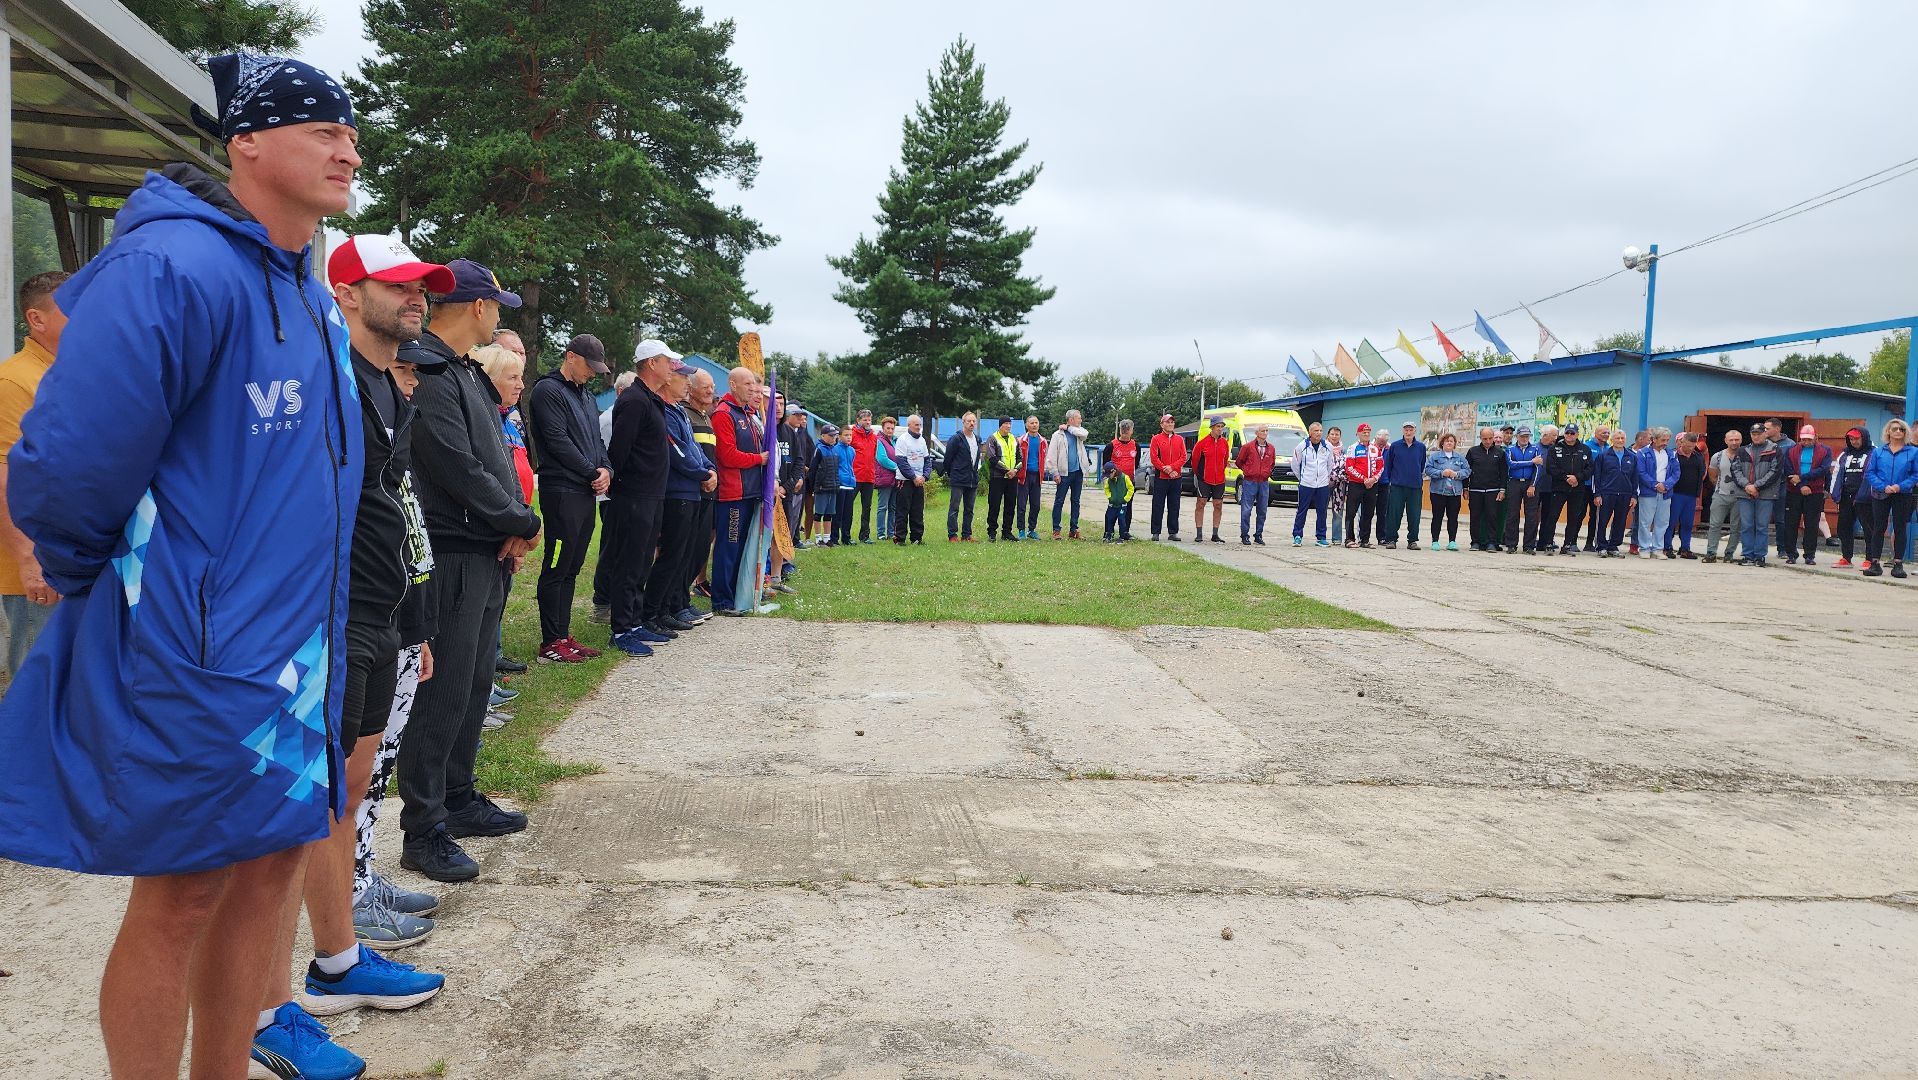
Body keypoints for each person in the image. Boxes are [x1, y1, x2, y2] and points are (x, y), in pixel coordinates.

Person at [0, 52, 370, 1079]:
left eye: (350, 131)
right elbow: (66, 466)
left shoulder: (298, 280)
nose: (346, 148)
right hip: (193, 647)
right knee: (183, 893)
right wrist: (110, 583)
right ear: (246, 140)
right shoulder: (171, 267)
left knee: (266, 877)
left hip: (294, 647)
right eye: (319, 126)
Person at [254, 234, 454, 1052]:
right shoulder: (321, 375)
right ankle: (267, 1012)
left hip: (375, 615)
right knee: (296, 812)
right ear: (343, 292)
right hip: (320, 622)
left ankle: (336, 961)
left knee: (345, 790)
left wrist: (410, 620)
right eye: (398, 285)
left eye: (422, 287)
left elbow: (389, 510)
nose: (417, 298)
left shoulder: (385, 381)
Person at [401, 257, 542, 891]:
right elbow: (457, 465)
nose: (497, 315)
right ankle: (424, 824)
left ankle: (458, 794)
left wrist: (513, 521)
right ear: (478, 308)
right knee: (444, 689)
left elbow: (494, 461)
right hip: (454, 549)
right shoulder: (429, 368)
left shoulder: (457, 369)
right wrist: (520, 518)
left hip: (485, 547)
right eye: (495, 306)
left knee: (474, 680)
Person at [351, 350, 442, 946]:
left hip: (405, 622)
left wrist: (420, 631)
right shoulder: (368, 434)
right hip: (376, 620)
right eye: (405, 374)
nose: (410, 385)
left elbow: (412, 542)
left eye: (412, 377)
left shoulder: (397, 441)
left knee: (381, 768)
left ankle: (365, 874)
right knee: (361, 771)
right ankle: (352, 893)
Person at [0, 270, 69, 679]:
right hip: (37, 569)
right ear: (36, 319)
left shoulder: (72, 373)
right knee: (37, 677)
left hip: (73, 555)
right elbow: (4, 477)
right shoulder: (14, 381)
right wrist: (28, 560)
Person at [526, 334, 612, 662]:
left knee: (573, 566)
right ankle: (550, 643)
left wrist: (606, 470)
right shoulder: (549, 391)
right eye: (589, 366)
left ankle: (563, 636)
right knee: (557, 564)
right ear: (570, 357)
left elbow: (596, 441)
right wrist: (592, 473)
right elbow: (557, 440)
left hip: (585, 492)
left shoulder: (586, 397)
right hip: (562, 491)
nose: (592, 372)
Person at [645, 357, 717, 635]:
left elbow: (696, 451)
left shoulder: (678, 412)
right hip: (677, 491)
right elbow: (677, 453)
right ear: (667, 380)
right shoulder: (665, 411)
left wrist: (709, 469)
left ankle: (668, 608)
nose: (687, 382)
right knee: (670, 555)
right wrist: (703, 474)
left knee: (683, 555)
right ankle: (654, 612)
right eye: (682, 377)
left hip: (692, 492)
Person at [709, 366, 771, 611]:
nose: (752, 389)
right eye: (747, 385)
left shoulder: (747, 414)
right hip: (733, 493)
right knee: (729, 546)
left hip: (750, 491)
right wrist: (760, 459)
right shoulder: (724, 414)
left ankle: (738, 593)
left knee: (742, 546)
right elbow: (727, 456)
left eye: (754, 385)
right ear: (732, 385)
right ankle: (722, 599)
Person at [590, 370, 638, 624]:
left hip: (625, 494)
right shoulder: (610, 419)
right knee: (611, 549)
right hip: (612, 495)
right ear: (620, 392)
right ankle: (602, 602)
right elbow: (611, 458)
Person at [1861, 417, 1916, 578]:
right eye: (1895, 429)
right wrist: (1882, 486)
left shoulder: (1913, 452)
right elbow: (1870, 473)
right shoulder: (1878, 452)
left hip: (1903, 494)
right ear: (1888, 432)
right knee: (1878, 527)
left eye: (1902, 429)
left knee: (1900, 528)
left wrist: (1900, 486)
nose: (1898, 431)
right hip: (1880, 493)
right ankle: (1875, 563)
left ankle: (1898, 564)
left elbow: (1915, 474)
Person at [1730, 423, 1782, 567]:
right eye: (1753, 433)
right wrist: (1747, 486)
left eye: (1759, 433)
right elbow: (1735, 470)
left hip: (1765, 494)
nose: (1756, 436)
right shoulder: (1742, 450)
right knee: (1746, 525)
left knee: (1761, 526)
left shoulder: (1774, 450)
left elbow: (1775, 471)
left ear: (1765, 434)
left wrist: (1757, 486)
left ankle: (1760, 556)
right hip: (1745, 493)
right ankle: (1748, 556)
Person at [1780, 424, 1833, 565]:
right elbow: (1788, 469)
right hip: (1794, 490)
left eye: (1809, 439)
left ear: (1816, 437)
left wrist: (1803, 479)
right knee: (1791, 523)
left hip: (1814, 491)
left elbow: (1823, 469)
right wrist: (1801, 485)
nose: (1806, 442)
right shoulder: (1791, 450)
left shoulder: (1825, 451)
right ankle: (1791, 553)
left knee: (1811, 524)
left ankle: (1809, 555)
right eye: (1803, 439)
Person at [1543, 423, 1593, 555]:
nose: (1569, 435)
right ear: (1564, 434)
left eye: (1572, 433)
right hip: (1559, 488)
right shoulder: (1555, 449)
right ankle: (1548, 543)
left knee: (1573, 518)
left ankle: (1567, 545)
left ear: (1577, 434)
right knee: (1552, 516)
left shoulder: (1585, 449)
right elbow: (1551, 468)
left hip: (1577, 489)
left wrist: (1577, 478)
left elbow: (1589, 469)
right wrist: (1566, 478)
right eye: (1567, 433)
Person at [1049, 409, 1096, 539]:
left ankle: (1073, 529)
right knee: (1059, 501)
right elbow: (1051, 455)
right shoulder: (1057, 435)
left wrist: (1069, 428)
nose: (1080, 420)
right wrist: (1055, 473)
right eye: (1078, 418)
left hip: (1078, 472)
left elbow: (1085, 433)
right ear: (1071, 419)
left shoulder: (1078, 433)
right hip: (1064, 474)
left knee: (1076, 501)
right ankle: (1056, 530)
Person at [1632, 428, 1678, 560]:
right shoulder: (1642, 453)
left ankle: (1658, 548)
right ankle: (1644, 547)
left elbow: (1676, 473)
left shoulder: (1671, 454)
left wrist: (1666, 485)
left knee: (1662, 522)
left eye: (1667, 440)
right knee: (1645, 522)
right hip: (1648, 492)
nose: (1665, 443)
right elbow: (1641, 472)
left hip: (1666, 492)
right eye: (1663, 440)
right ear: (1654, 439)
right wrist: (1656, 484)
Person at [1379, 422, 1427, 549]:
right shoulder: (1395, 446)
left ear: (1415, 431)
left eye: (1411, 429)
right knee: (1393, 514)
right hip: (1397, 486)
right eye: (1406, 429)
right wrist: (1393, 480)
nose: (1408, 432)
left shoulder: (1421, 447)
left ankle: (1412, 540)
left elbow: (1421, 465)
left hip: (1415, 487)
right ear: (1403, 431)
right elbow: (1388, 465)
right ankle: (1391, 539)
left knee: (1414, 515)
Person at [1831, 427, 1873, 568]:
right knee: (1843, 527)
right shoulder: (1844, 454)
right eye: (1851, 439)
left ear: (1864, 438)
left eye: (1857, 438)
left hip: (1866, 497)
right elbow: (1836, 473)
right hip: (1846, 496)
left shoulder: (1874, 452)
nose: (1854, 441)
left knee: (1869, 529)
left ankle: (1870, 558)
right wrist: (1835, 494)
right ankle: (1846, 558)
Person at [1591, 430, 1637, 557]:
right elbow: (1597, 476)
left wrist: (1634, 496)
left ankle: (1613, 545)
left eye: (1622, 438)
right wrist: (1597, 494)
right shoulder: (1604, 455)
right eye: (1617, 438)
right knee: (1602, 521)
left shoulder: (1631, 457)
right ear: (1612, 440)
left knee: (1620, 521)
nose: (1620, 440)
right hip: (1607, 493)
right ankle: (1601, 546)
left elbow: (1635, 477)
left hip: (1625, 494)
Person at [1702, 429, 1745, 564]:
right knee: (1714, 525)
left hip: (1740, 496)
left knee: (1736, 527)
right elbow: (1713, 476)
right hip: (1720, 494)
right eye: (1731, 440)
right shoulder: (1717, 456)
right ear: (1726, 441)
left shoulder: (1746, 455)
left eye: (1736, 439)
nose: (1734, 442)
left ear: (1741, 440)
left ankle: (1729, 553)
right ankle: (1711, 553)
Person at [1284, 423, 1330, 546]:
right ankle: (1297, 535)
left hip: (1322, 485)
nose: (1319, 433)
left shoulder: (1327, 446)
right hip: (1306, 484)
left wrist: (1324, 477)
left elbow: (1330, 465)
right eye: (1316, 430)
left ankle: (1321, 537)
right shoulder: (1301, 446)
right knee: (1302, 510)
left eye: (1320, 430)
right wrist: (1303, 478)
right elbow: (1295, 465)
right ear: (1310, 432)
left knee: (1322, 511)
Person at [1502, 426, 1544, 555]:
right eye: (1522, 436)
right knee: (1512, 514)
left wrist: (1533, 485)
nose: (1525, 438)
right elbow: (1512, 465)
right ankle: (1511, 544)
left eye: (1527, 436)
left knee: (1531, 516)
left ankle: (1529, 545)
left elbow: (1538, 468)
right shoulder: (1510, 449)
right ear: (1517, 437)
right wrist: (1531, 461)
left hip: (1530, 484)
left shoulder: (1536, 449)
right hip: (1514, 483)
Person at [1464, 427, 1507, 552]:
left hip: (1493, 491)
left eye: (1489, 438)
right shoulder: (1473, 451)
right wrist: (1465, 488)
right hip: (1475, 490)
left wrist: (1502, 490)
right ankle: (1475, 542)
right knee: (1475, 517)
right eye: (1484, 439)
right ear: (1480, 438)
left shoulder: (1500, 453)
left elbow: (1504, 473)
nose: (1487, 441)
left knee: (1492, 517)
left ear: (1493, 437)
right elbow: (1467, 471)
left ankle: (1492, 543)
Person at [777, 403, 814, 548]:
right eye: (797, 415)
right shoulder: (778, 431)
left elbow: (801, 458)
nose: (801, 418)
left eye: (801, 415)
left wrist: (799, 477)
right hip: (779, 483)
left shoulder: (800, 433)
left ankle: (792, 542)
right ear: (788, 415)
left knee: (794, 514)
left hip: (795, 480)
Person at [1189, 417, 1231, 543]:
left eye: (1221, 426)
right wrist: (1201, 476)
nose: (1220, 429)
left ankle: (1215, 534)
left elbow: (1225, 461)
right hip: (1204, 479)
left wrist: (1219, 473)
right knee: (1201, 504)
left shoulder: (1225, 443)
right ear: (1212, 427)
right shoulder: (1202, 443)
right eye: (1218, 426)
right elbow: (1195, 462)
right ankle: (1199, 533)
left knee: (1218, 505)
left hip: (1219, 480)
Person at [1423, 433, 1467, 550]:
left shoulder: (1460, 457)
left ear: (1454, 444)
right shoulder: (1435, 457)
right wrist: (1441, 473)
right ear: (1442, 443)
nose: (1449, 443)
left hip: (1454, 493)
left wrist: (1456, 474)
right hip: (1438, 492)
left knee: (1453, 518)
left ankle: (1452, 541)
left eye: (1451, 441)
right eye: (1446, 441)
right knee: (1437, 517)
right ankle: (1435, 541)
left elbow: (1467, 471)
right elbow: (1428, 469)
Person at [1666, 428, 1705, 558]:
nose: (1689, 449)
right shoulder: (1673, 455)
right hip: (1676, 493)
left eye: (1692, 446)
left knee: (1688, 523)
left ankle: (1685, 548)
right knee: (1671, 522)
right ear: (1681, 442)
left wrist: (1698, 492)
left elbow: (1701, 473)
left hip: (1691, 494)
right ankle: (1667, 547)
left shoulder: (1698, 456)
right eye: (1687, 446)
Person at [1236, 422, 1277, 546]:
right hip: (1250, 482)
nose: (1265, 433)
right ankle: (1245, 535)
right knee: (1246, 509)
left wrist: (1267, 472)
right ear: (1256, 433)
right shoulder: (1247, 447)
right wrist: (1247, 470)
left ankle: (1258, 535)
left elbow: (1272, 463)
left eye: (1266, 431)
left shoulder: (1271, 448)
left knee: (1262, 510)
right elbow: (1239, 461)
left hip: (1264, 482)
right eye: (1263, 431)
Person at [1344, 424, 1384, 547]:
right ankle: (1349, 539)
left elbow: (1381, 466)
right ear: (1358, 433)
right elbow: (1349, 467)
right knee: (1351, 512)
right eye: (1363, 432)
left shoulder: (1375, 448)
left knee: (1369, 512)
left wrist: (1373, 479)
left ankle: (1364, 540)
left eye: (1368, 432)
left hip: (1372, 485)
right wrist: (1363, 479)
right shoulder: (1353, 448)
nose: (1366, 434)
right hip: (1356, 484)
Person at [1148, 414, 1187, 541]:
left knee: (1174, 505)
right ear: (1162, 424)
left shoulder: (1180, 439)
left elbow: (1183, 457)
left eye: (1172, 422)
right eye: (1167, 422)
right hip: (1161, 477)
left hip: (1176, 477)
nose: (1170, 424)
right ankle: (1155, 532)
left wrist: (1172, 468)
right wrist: (1166, 469)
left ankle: (1173, 531)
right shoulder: (1156, 439)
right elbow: (1154, 458)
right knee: (1158, 505)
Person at [945, 411, 983, 541]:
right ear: (963, 422)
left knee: (969, 509)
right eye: (969, 421)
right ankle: (952, 535)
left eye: (974, 421)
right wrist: (953, 473)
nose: (972, 423)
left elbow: (977, 458)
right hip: (958, 479)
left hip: (972, 479)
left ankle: (966, 534)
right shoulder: (956, 439)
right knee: (954, 508)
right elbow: (947, 459)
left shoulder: (977, 439)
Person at [891, 414, 929, 544]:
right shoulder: (902, 440)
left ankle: (917, 538)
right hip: (904, 481)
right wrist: (913, 477)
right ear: (909, 425)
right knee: (902, 510)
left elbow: (927, 460)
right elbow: (901, 462)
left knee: (917, 511)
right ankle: (899, 538)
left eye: (920, 425)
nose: (919, 427)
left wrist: (925, 476)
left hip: (919, 481)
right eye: (916, 425)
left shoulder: (922, 440)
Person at [984, 416, 1022, 541]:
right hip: (998, 478)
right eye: (1006, 424)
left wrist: (1015, 470)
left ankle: (1007, 532)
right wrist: (1007, 471)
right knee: (994, 505)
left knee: (1010, 505)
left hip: (1012, 478)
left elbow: (1020, 458)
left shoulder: (1014, 439)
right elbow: (992, 459)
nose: (1008, 426)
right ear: (1000, 425)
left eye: (1010, 424)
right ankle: (992, 532)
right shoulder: (993, 438)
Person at [1765, 416, 1797, 560]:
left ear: (1777, 429)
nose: (1764, 431)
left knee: (1781, 519)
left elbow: (1794, 464)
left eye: (1767, 428)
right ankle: (1756, 549)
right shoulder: (1761, 443)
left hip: (1783, 485)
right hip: (1764, 486)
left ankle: (1782, 549)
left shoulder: (1790, 444)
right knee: (1760, 518)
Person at [810, 425, 847, 544]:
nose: (834, 438)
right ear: (823, 436)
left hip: (833, 486)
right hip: (821, 487)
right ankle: (817, 538)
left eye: (835, 435)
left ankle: (827, 538)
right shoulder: (819, 449)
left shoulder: (835, 449)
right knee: (818, 513)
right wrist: (813, 488)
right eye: (831, 436)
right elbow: (813, 470)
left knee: (829, 514)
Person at [847, 409, 879, 543]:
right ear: (858, 420)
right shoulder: (852, 434)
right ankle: (845, 535)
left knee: (867, 508)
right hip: (854, 475)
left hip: (869, 476)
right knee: (848, 506)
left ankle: (865, 535)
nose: (867, 422)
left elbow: (873, 455)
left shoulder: (873, 436)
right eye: (865, 419)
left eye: (869, 420)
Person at [1582, 424, 1612, 551]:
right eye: (1603, 432)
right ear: (1596, 433)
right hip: (1585, 486)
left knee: (1595, 516)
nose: (1605, 434)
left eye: (1607, 432)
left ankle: (1590, 543)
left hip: (1600, 488)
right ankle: (1571, 542)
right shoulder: (1587, 446)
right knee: (1579, 514)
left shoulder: (1608, 448)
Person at [873, 415, 899, 539]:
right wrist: (898, 467)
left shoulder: (895, 440)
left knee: (893, 507)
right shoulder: (879, 440)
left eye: (892, 428)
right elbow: (882, 459)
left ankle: (891, 532)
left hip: (895, 478)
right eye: (888, 428)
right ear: (883, 428)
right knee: (883, 506)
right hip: (884, 478)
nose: (890, 430)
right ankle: (881, 533)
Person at [1101, 460, 1135, 542]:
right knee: (1110, 519)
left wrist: (1125, 499)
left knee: (1121, 521)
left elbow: (1131, 488)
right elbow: (1106, 489)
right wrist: (1110, 497)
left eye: (1109, 474)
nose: (1108, 477)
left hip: (1122, 505)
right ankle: (1109, 534)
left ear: (1114, 471)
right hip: (1112, 504)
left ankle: (1122, 536)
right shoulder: (1109, 480)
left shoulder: (1124, 478)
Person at [1326, 426, 1347, 545]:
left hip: (1340, 484)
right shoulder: (1323, 447)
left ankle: (1337, 538)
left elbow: (1347, 466)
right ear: (1328, 435)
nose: (1334, 436)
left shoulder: (1344, 450)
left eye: (1337, 434)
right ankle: (1321, 536)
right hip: (1324, 483)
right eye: (1332, 434)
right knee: (1322, 510)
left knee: (1338, 511)